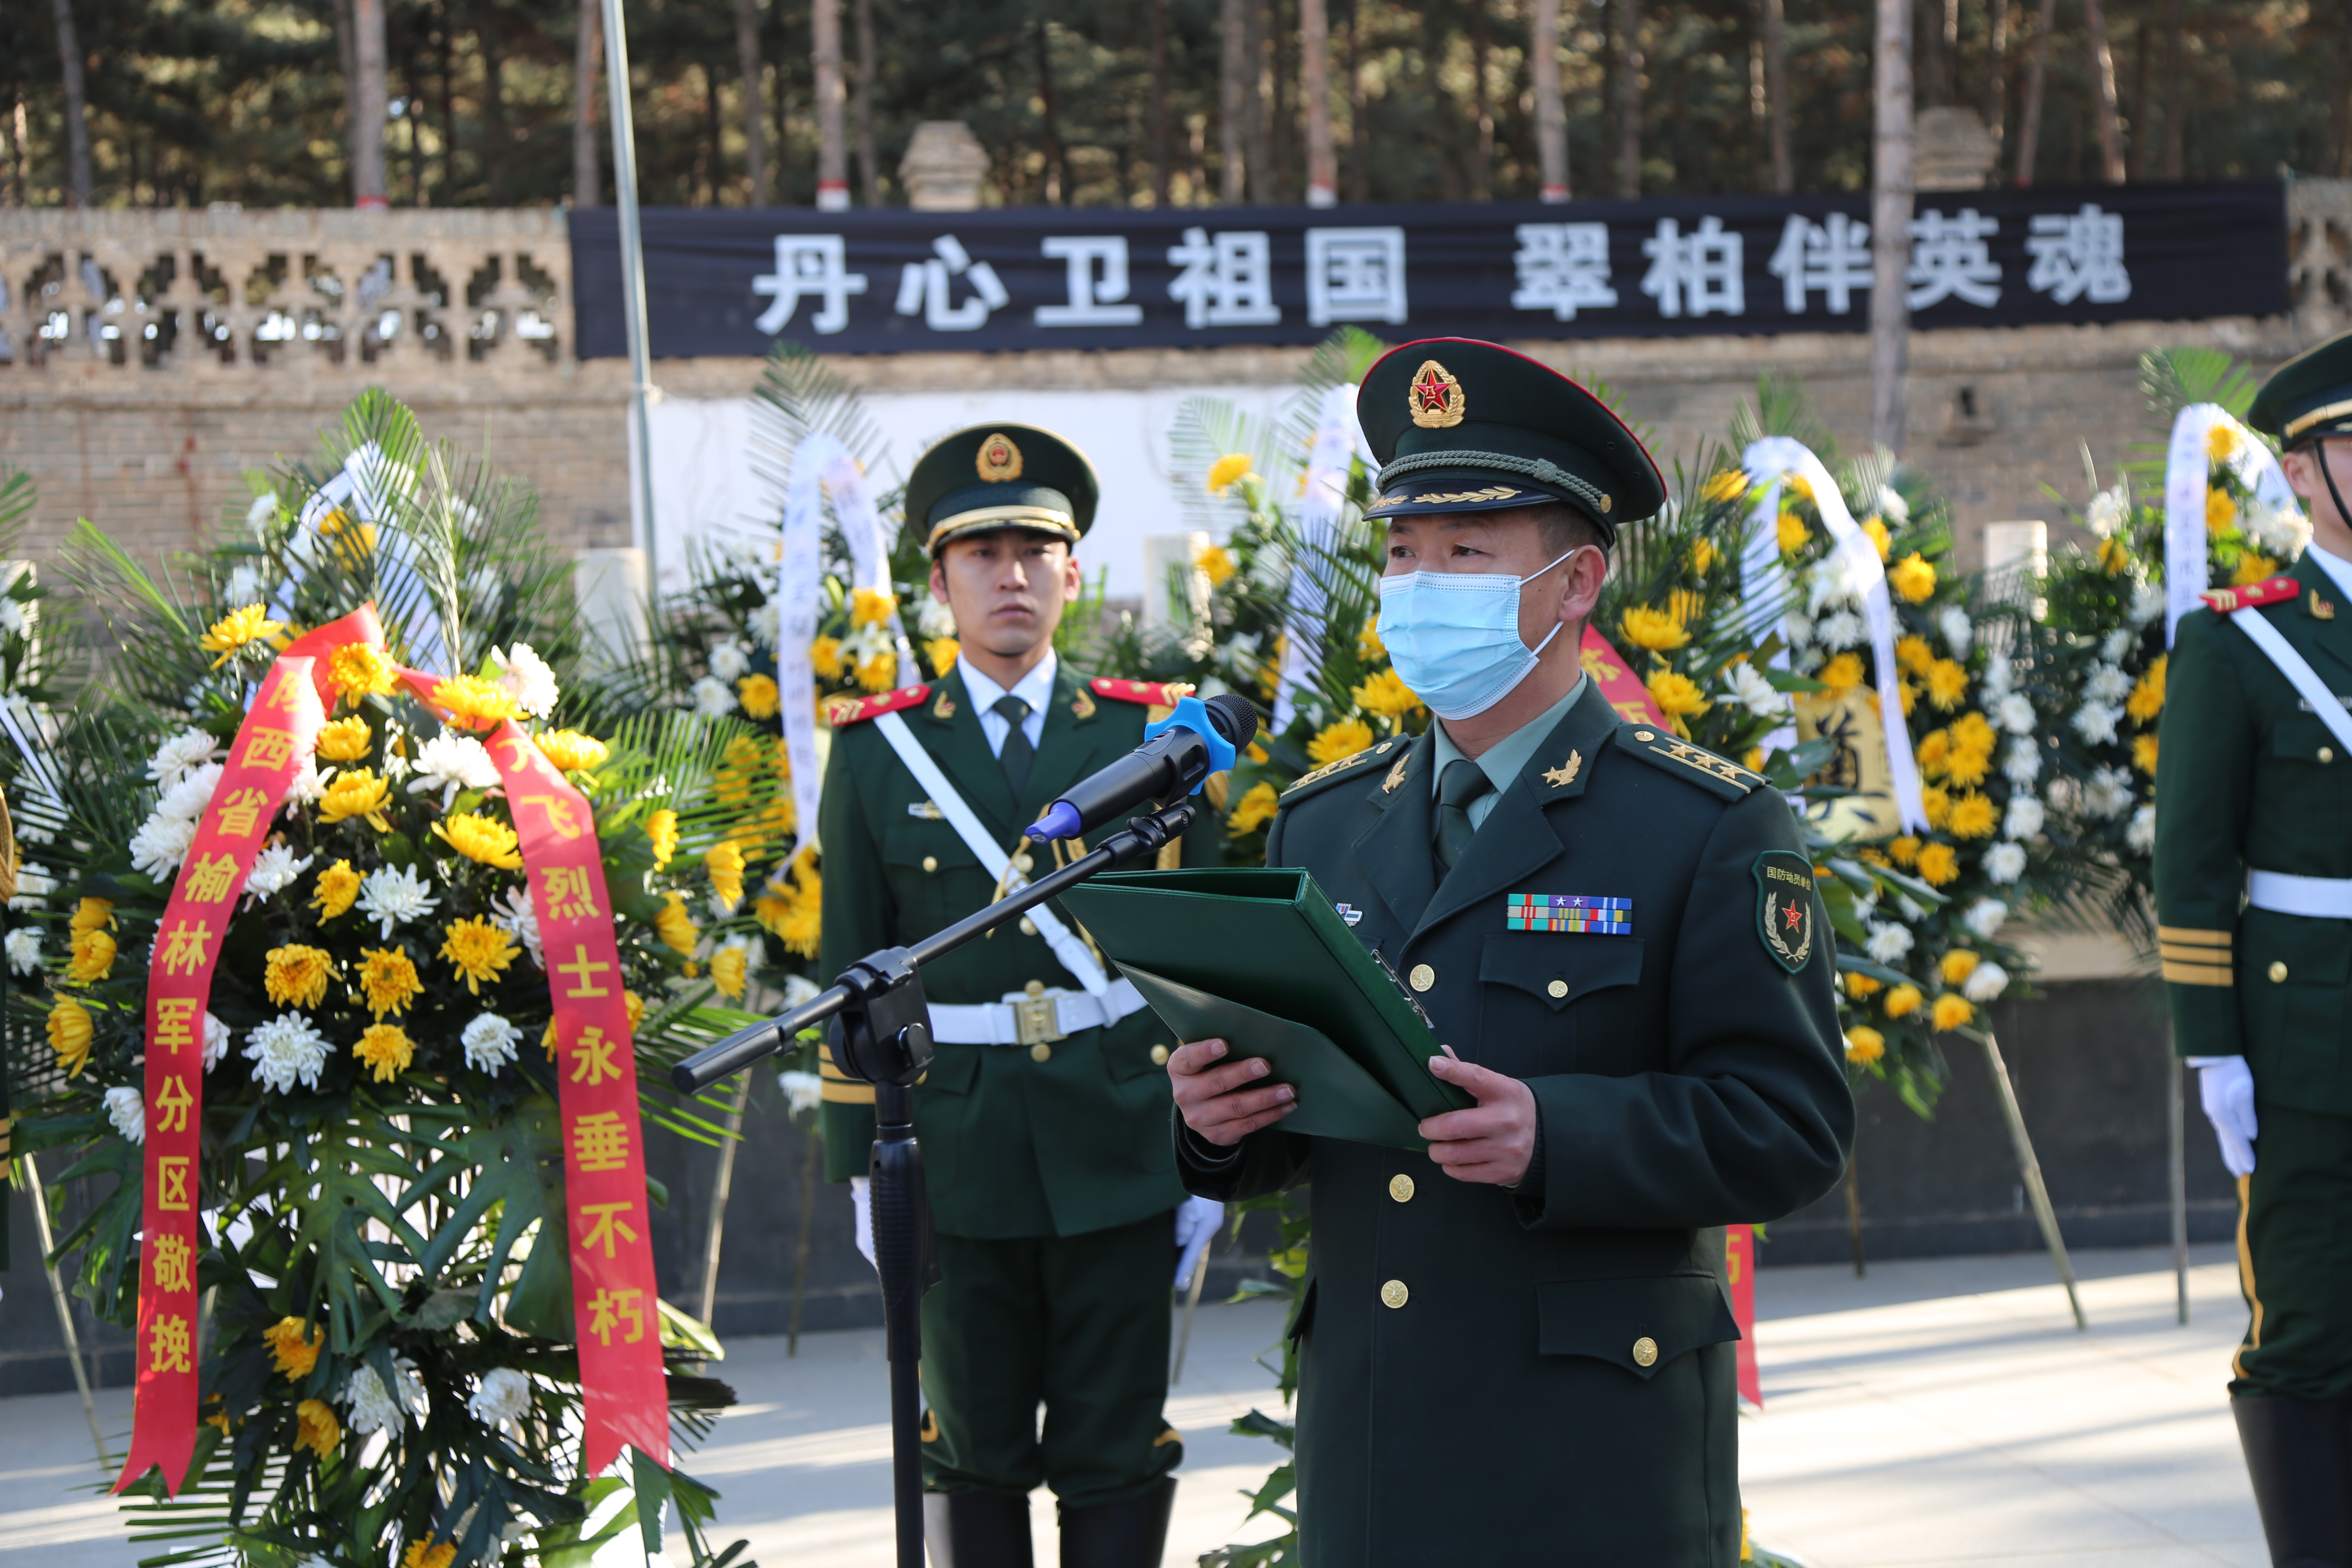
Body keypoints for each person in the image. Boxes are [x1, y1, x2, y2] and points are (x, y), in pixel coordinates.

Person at [1165, 339, 1854, 1565]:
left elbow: (1790, 1127)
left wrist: (1560, 1135)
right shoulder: (1327, 820)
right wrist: (1221, 1124)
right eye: (1402, 553)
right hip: (1375, 1441)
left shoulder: (1704, 827)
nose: (1421, 585)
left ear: (1577, 583)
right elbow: (1308, 1120)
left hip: (1591, 1448)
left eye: (1467, 553)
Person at [816, 424, 1223, 1568]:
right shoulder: (880, 754)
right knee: (971, 1447)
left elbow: (1214, 962)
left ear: (1073, 573)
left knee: (1118, 1444)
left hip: (1124, 1138)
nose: (1011, 574)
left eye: (1036, 550)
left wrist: (1211, 1155)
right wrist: (861, 1169)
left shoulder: (1155, 736)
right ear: (938, 581)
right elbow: (849, 968)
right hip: (951, 1147)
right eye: (982, 553)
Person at [2162, 331, 2352, 1566]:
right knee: (2315, 1325)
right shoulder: (2242, 642)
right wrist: (2212, 1054)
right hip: (2311, 1041)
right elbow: (2190, 866)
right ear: (2304, 471)